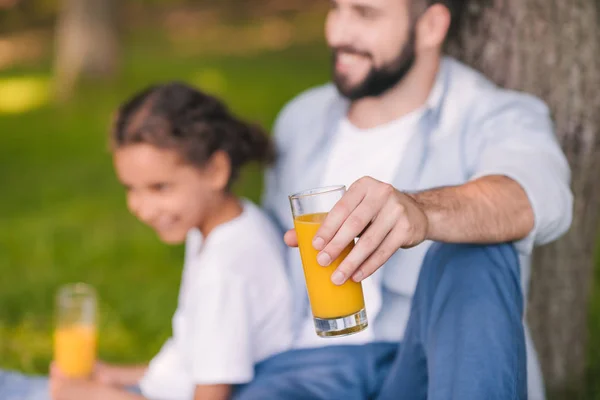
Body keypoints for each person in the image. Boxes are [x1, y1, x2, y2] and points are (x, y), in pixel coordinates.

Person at [233, 0, 573, 399]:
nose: (338, 33)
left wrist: (422, 213)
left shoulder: (495, 115)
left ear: (431, 26)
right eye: (336, 9)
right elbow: (252, 270)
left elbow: (536, 198)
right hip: (307, 372)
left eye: (365, 14)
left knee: (475, 250)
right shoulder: (301, 119)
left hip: (424, 369)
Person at [2, 82, 293, 400]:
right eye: (131, 188)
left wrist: (93, 395)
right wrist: (111, 375)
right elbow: (192, 363)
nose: (140, 207)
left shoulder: (225, 272)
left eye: (159, 188)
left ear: (215, 170)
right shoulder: (232, 225)